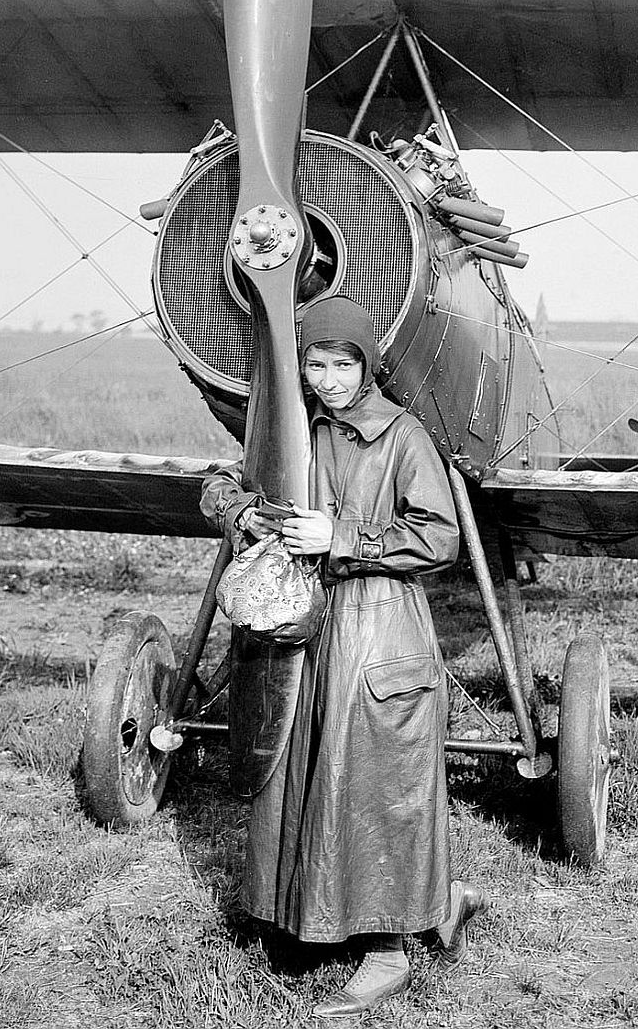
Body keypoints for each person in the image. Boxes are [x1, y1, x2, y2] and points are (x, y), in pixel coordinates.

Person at [200, 296, 487, 1018]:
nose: (325, 378)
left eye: (340, 364)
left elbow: (440, 537)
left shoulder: (402, 434)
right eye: (314, 362)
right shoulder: (290, 427)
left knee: (370, 782)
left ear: (367, 365)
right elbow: (215, 483)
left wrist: (341, 535)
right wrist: (245, 512)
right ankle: (303, 914)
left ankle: (388, 947)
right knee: (296, 771)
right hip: (298, 627)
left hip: (376, 629)